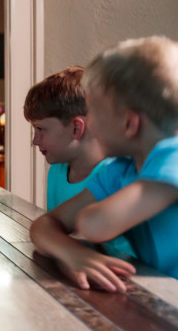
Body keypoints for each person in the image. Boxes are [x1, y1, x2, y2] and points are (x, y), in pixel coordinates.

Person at [30, 36, 178, 293]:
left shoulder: (173, 158)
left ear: (129, 124)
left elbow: (95, 224)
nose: (90, 124)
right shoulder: (119, 171)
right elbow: (43, 226)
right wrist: (73, 254)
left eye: (95, 112)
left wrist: (77, 228)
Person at [23, 66, 109, 210]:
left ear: (76, 128)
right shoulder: (56, 171)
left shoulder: (113, 178)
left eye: (40, 129)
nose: (34, 141)